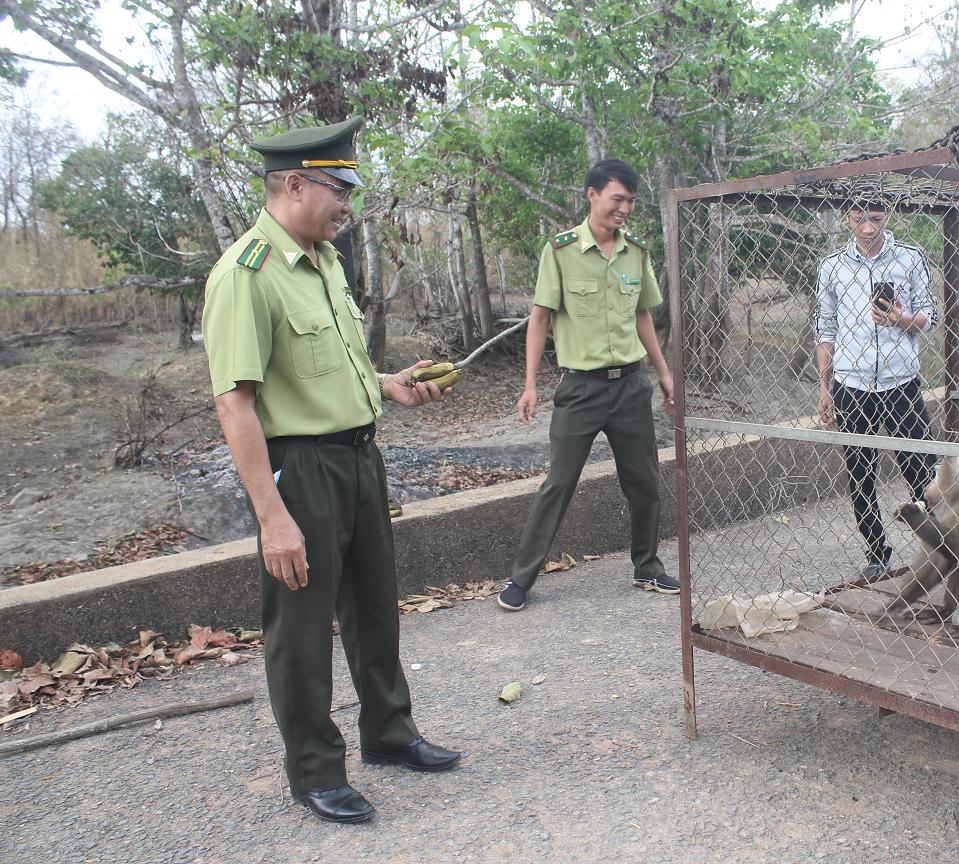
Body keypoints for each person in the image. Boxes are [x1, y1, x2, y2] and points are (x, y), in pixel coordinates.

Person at [202, 117, 460, 824]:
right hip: (300, 472)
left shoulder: (324, 263)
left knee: (376, 608)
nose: (348, 203)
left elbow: (326, 366)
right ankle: (316, 769)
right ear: (293, 184)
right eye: (337, 188)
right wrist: (271, 517)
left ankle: (389, 732)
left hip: (357, 457)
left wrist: (387, 384)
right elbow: (236, 405)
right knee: (304, 628)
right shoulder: (245, 275)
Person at [498, 159, 677, 612]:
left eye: (632, 202)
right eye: (618, 199)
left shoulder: (636, 250)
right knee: (559, 483)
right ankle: (521, 578)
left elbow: (643, 315)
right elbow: (539, 318)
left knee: (644, 481)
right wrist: (530, 384)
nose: (625, 209)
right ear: (593, 194)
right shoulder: (559, 251)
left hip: (631, 386)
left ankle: (647, 567)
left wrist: (663, 373)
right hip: (580, 389)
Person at [815, 200, 940, 580]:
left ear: (888, 217)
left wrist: (902, 319)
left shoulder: (909, 257)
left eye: (875, 219)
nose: (867, 229)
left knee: (922, 470)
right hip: (851, 385)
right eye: (858, 219)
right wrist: (825, 388)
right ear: (847, 219)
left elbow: (930, 314)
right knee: (860, 473)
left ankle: (943, 546)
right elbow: (825, 328)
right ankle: (877, 552)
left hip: (899, 382)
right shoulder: (832, 267)